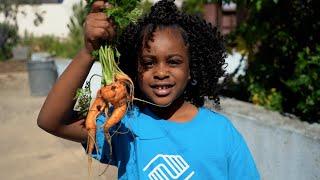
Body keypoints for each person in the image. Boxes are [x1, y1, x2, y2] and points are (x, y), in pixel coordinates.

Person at [37, 0, 260, 179]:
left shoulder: (221, 132)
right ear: (134, 70)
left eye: (173, 62)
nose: (160, 72)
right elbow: (51, 121)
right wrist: (88, 51)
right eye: (148, 63)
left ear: (192, 68)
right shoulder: (125, 125)